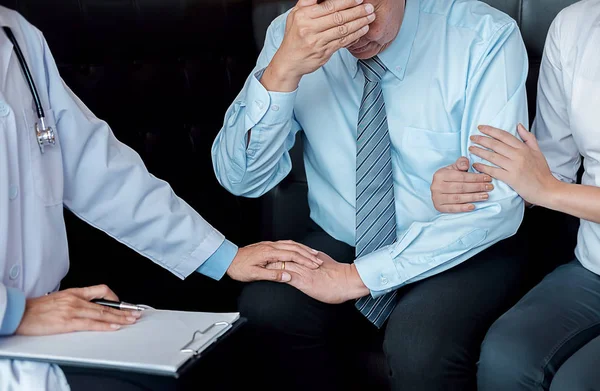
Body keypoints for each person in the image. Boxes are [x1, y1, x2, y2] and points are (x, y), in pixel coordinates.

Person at [211, 0, 532, 389]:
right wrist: (282, 71)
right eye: (332, 5)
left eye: (366, 4)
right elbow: (242, 180)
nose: (351, 28)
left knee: (418, 344)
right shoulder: (291, 35)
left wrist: (355, 278)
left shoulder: (483, 36)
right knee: (267, 308)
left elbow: (497, 202)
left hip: (458, 244)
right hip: (346, 234)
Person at [0, 5, 323, 390]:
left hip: (45, 333)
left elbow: (100, 171)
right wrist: (14, 314)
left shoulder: (16, 35)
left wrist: (225, 256)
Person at [429, 0, 600, 389]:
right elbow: (545, 170)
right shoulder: (575, 26)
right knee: (506, 355)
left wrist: (550, 191)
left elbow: (548, 186)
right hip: (594, 269)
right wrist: (458, 188)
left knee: (577, 382)